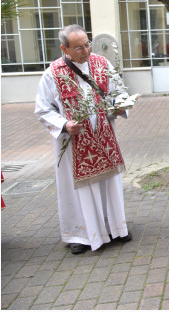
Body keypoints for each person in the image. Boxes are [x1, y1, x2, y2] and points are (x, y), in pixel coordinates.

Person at [35, 24, 132, 255]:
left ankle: (115, 228)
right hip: (74, 143)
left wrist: (121, 106)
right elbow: (42, 109)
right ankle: (80, 234)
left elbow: (118, 91)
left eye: (87, 44)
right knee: (79, 189)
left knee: (108, 184)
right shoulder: (53, 73)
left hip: (103, 137)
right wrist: (65, 125)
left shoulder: (102, 63)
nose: (86, 51)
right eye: (78, 48)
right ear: (64, 48)